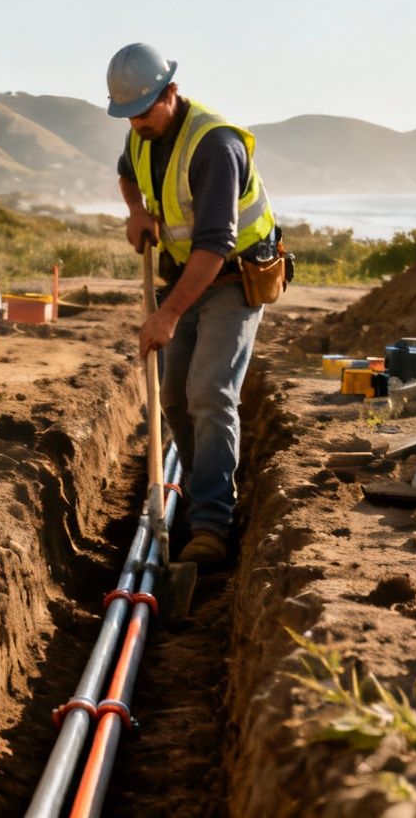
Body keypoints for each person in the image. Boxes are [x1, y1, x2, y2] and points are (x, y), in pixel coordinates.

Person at [105, 42, 278, 568]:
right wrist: (137, 211)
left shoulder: (214, 146)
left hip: (231, 278)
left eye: (143, 112)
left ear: (171, 93)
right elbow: (128, 172)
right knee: (175, 397)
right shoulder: (141, 133)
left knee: (209, 392)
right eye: (127, 115)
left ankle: (210, 524)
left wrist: (167, 314)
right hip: (184, 274)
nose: (136, 123)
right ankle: (200, 491)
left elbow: (214, 245)